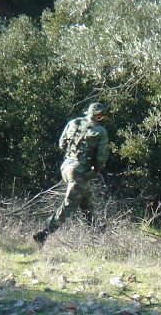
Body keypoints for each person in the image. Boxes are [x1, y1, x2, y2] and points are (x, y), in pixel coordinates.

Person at [33, 102, 109, 245]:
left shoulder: (74, 122)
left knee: (86, 201)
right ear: (99, 115)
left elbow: (62, 144)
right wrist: (95, 169)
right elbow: (102, 157)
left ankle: (95, 232)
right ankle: (44, 233)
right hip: (78, 172)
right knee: (69, 205)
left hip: (66, 167)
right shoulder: (100, 131)